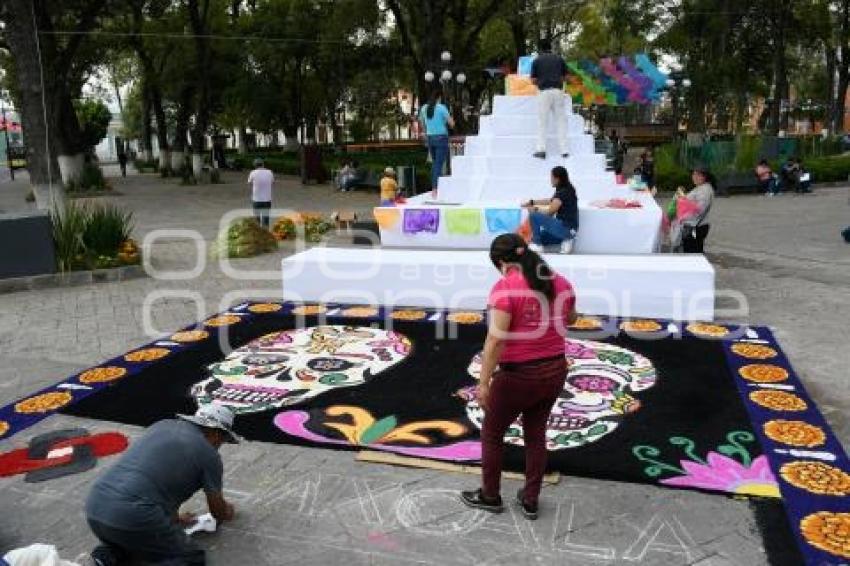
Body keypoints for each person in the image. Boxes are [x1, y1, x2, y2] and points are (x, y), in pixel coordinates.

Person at [460, 233, 577, 520]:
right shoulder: (559, 281)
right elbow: (572, 319)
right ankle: (530, 499)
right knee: (536, 434)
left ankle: (490, 495)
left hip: (518, 377)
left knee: (492, 433)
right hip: (554, 371)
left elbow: (495, 340)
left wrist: (483, 382)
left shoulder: (505, 287)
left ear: (502, 262)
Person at [85, 404, 239, 566]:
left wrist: (174, 520)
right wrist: (226, 510)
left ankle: (104, 557)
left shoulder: (162, 425)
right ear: (215, 433)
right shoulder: (208, 455)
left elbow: (159, 481)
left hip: (96, 507)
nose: (219, 445)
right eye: (223, 440)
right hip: (133, 515)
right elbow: (218, 513)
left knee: (133, 544)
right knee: (191, 559)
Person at [522, 166, 579, 254]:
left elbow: (550, 212)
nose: (550, 180)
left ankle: (537, 245)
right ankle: (566, 240)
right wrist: (532, 202)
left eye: (551, 177)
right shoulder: (568, 189)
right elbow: (551, 201)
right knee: (537, 237)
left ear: (557, 179)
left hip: (565, 228)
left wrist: (535, 209)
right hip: (568, 230)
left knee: (534, 215)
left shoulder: (562, 192)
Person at [530, 38, 569, 160]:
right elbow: (565, 77)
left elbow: (533, 80)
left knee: (543, 122)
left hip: (544, 92)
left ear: (540, 49)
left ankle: (541, 150)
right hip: (558, 91)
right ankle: (564, 150)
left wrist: (542, 81)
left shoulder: (536, 61)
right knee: (561, 121)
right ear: (550, 47)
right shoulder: (559, 59)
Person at [671, 165, 715, 253]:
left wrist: (681, 217)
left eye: (698, 175)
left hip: (695, 228)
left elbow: (699, 211)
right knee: (692, 251)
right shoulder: (700, 188)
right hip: (693, 226)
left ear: (704, 177)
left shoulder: (705, 191)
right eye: (693, 174)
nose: (694, 177)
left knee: (693, 253)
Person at [419, 91, 455, 196]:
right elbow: (451, 124)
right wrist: (451, 120)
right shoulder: (441, 108)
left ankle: (435, 188)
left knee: (435, 164)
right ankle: (435, 189)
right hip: (441, 138)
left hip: (430, 139)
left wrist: (426, 133)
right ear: (439, 98)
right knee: (438, 164)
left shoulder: (424, 108)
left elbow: (422, 123)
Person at [247, 158, 274, 228]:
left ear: (255, 165)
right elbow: (272, 182)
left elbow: (249, 182)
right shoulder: (269, 172)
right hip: (267, 199)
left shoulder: (253, 173)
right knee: (266, 219)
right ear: (263, 164)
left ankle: (258, 235)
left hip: (256, 199)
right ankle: (266, 234)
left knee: (257, 219)